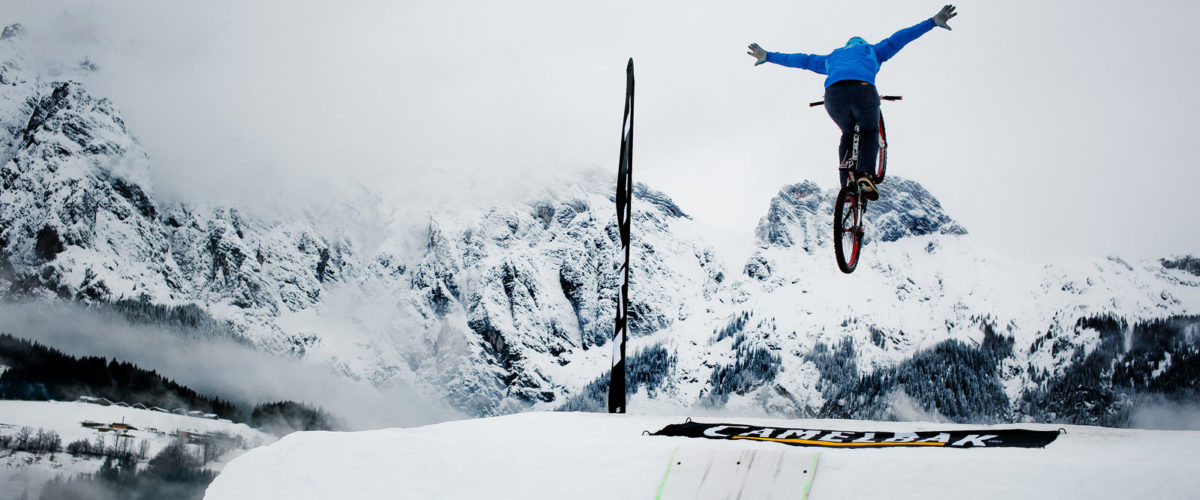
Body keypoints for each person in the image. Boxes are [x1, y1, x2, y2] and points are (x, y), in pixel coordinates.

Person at [747, 5, 957, 200]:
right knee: (870, 132)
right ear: (862, 45)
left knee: (848, 133)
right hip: (863, 92)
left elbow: (802, 60)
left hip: (833, 96)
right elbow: (900, 38)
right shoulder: (873, 51)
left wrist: (768, 55)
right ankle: (865, 173)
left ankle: (845, 180)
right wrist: (932, 22)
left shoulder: (832, 58)